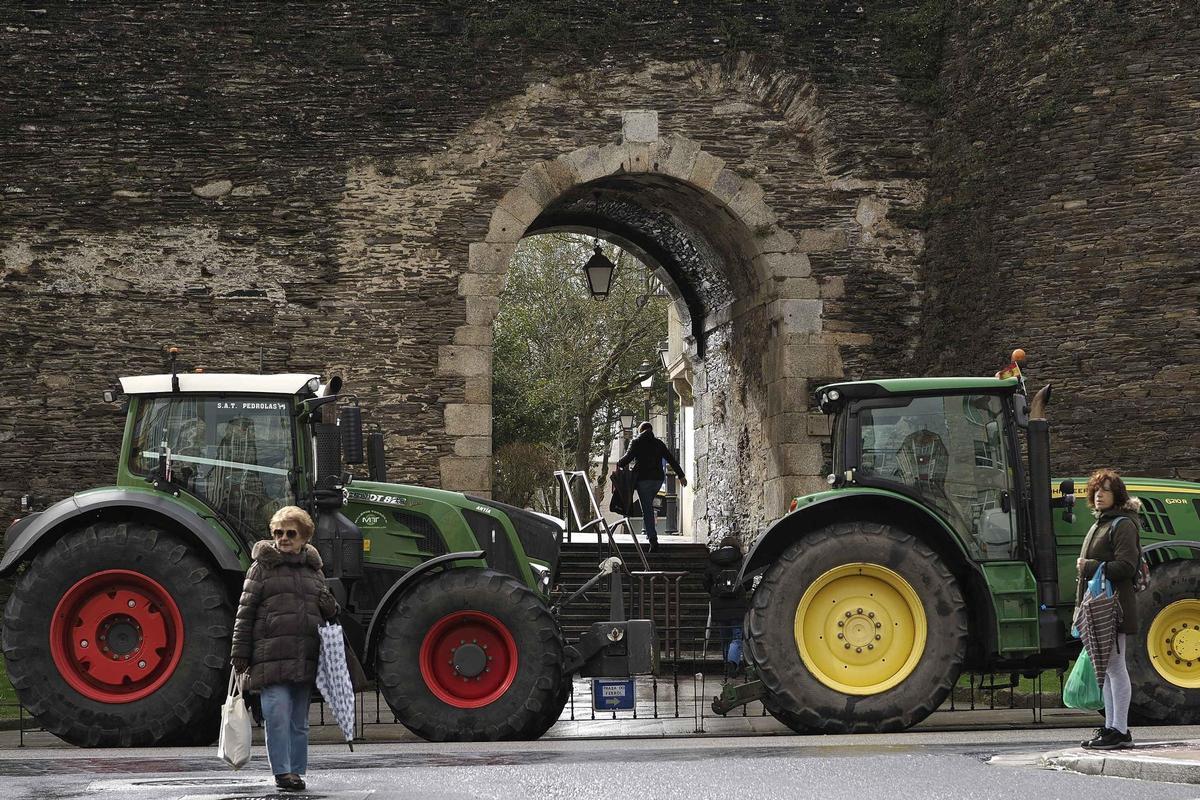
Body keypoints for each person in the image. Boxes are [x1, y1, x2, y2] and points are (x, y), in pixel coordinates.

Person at [231, 506, 338, 792]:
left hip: (304, 655)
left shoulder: (313, 570)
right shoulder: (262, 568)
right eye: (278, 533)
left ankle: (296, 770)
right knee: (276, 715)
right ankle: (282, 772)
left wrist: (331, 606)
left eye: (291, 533)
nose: (283, 538)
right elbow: (245, 612)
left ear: (304, 537)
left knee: (299, 722)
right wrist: (240, 653)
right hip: (270, 656)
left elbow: (326, 609)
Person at [1075, 468, 1141, 751]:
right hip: (1097, 606)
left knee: (1115, 667)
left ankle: (1120, 730)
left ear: (1117, 495)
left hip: (1114, 607)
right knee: (1107, 668)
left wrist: (1089, 566)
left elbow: (1127, 566)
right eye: (1096, 491)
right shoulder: (1100, 523)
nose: (1099, 495)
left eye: (1105, 490)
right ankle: (1111, 727)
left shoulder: (1123, 524)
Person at [617, 421, 687, 552]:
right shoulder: (659, 443)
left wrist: (619, 463)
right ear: (651, 430)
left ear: (640, 430)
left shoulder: (636, 442)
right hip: (657, 480)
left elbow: (627, 459)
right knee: (648, 506)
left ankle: (653, 540)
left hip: (643, 480)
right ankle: (651, 535)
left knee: (647, 509)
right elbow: (671, 459)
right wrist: (681, 475)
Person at [703, 536, 750, 675]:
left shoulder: (712, 560)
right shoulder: (741, 560)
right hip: (738, 605)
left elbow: (706, 582)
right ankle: (732, 663)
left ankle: (726, 666)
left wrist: (715, 592)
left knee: (725, 638)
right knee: (737, 637)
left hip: (720, 606)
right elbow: (748, 582)